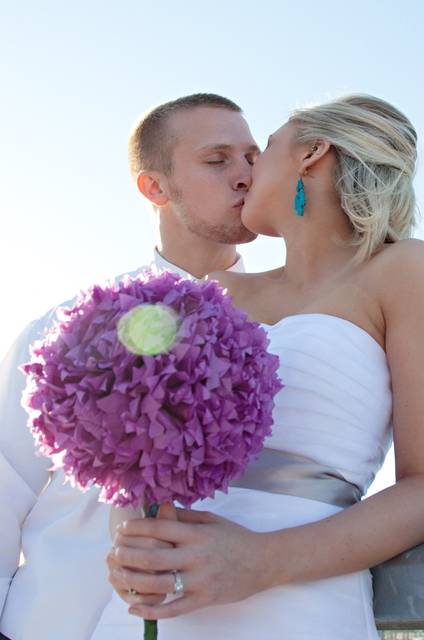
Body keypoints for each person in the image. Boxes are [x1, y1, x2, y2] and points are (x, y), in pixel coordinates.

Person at [93, 94, 424, 639]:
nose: (245, 174)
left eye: (262, 150)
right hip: (167, 603)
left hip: (299, 600)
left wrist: (260, 561)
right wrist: (133, 543)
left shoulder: (404, 269)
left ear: (312, 154)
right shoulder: (211, 294)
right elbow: (144, 461)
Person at [0, 92, 260, 640]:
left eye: (253, 158)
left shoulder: (291, 334)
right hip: (52, 624)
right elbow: (4, 485)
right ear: (154, 187)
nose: (245, 176)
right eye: (218, 160)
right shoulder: (66, 329)